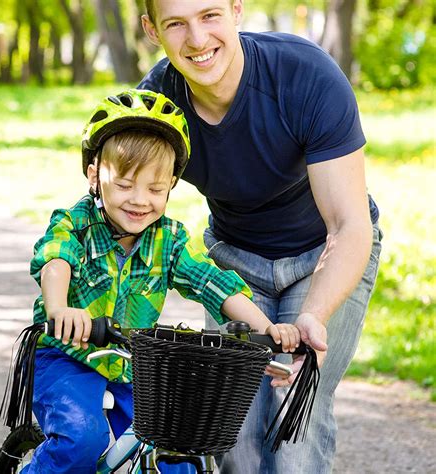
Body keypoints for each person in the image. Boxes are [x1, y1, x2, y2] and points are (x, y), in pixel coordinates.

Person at [138, 1, 383, 473]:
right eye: (176, 24)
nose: (197, 39)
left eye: (210, 15)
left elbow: (349, 225)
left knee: (293, 427)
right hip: (235, 263)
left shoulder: (305, 76)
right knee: (230, 435)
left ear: (236, 10)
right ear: (152, 31)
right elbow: (126, 206)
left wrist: (314, 314)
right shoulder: (157, 105)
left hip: (322, 258)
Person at [20, 88, 301, 473]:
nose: (140, 201)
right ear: (93, 174)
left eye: (155, 189)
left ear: (171, 184)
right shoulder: (75, 223)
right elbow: (56, 260)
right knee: (81, 440)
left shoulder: (169, 239)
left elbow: (212, 283)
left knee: (177, 451)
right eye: (124, 185)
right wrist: (59, 308)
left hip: (135, 365)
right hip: (65, 356)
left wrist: (268, 330)